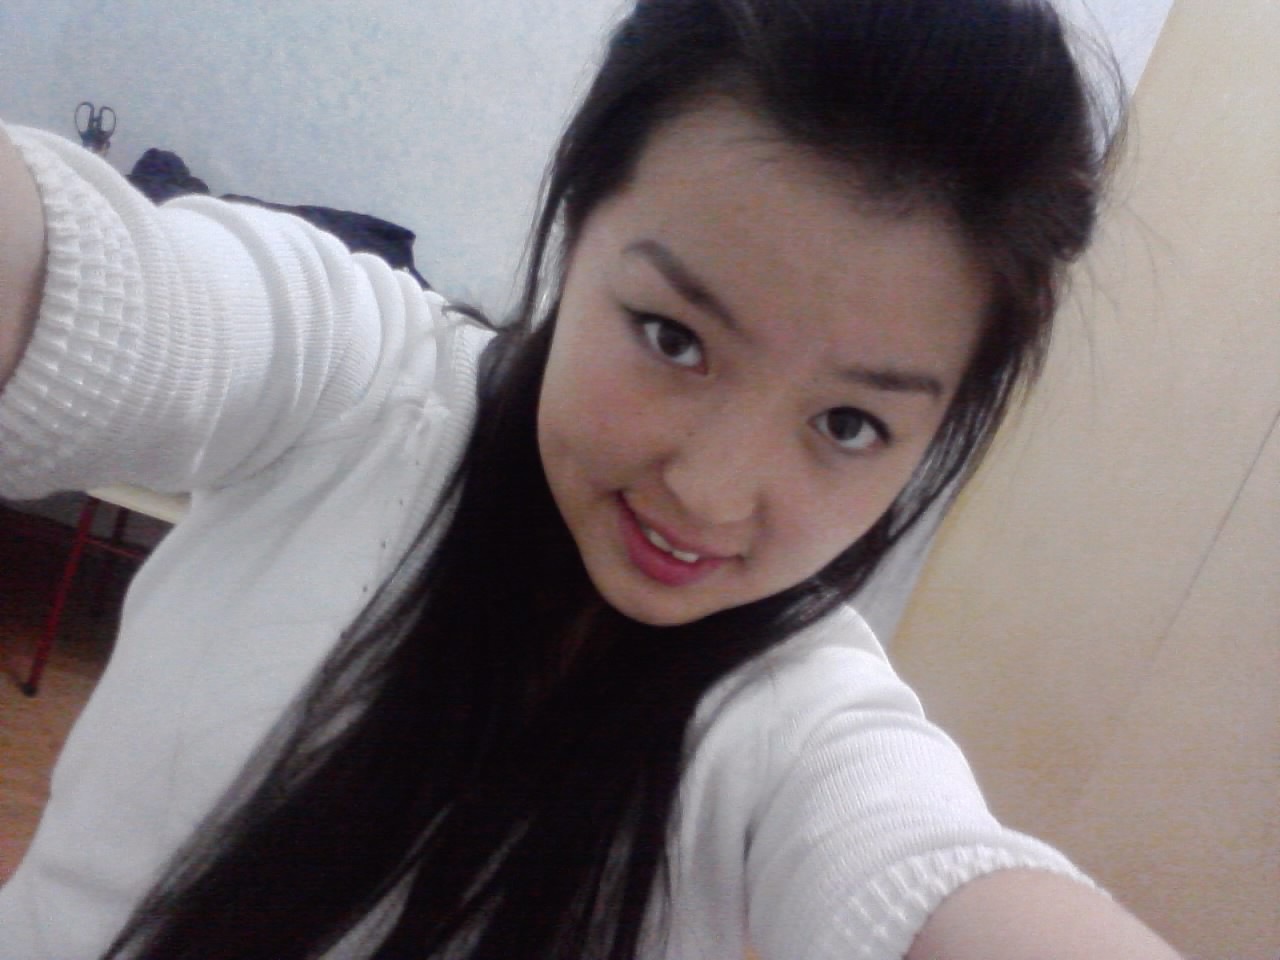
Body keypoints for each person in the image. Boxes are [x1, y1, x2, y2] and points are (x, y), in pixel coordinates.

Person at [0, 1, 1183, 958]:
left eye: (847, 423)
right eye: (674, 337)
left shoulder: (800, 716)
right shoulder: (356, 386)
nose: (711, 492)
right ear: (577, 225)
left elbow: (924, 868)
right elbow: (102, 290)